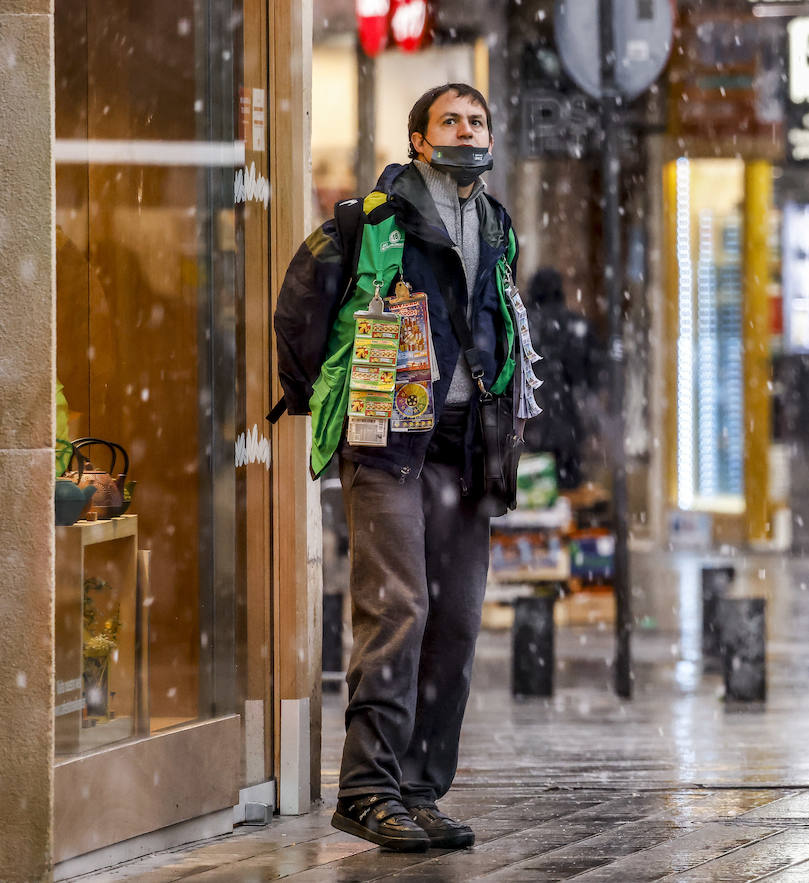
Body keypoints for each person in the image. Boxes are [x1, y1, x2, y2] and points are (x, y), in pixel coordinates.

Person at [274, 83, 531, 852]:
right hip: (386, 439)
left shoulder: (495, 221)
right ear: (417, 139)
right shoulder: (370, 222)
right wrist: (315, 391)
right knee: (400, 606)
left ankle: (418, 789)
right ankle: (367, 789)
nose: (465, 129)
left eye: (476, 119)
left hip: (466, 445)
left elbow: (499, 322)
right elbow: (299, 308)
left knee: (454, 616)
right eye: (449, 120)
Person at [522, 267, 597, 488]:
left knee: (533, 494)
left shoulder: (524, 325)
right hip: (567, 427)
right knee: (567, 496)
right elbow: (587, 377)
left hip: (531, 426)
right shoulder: (576, 325)